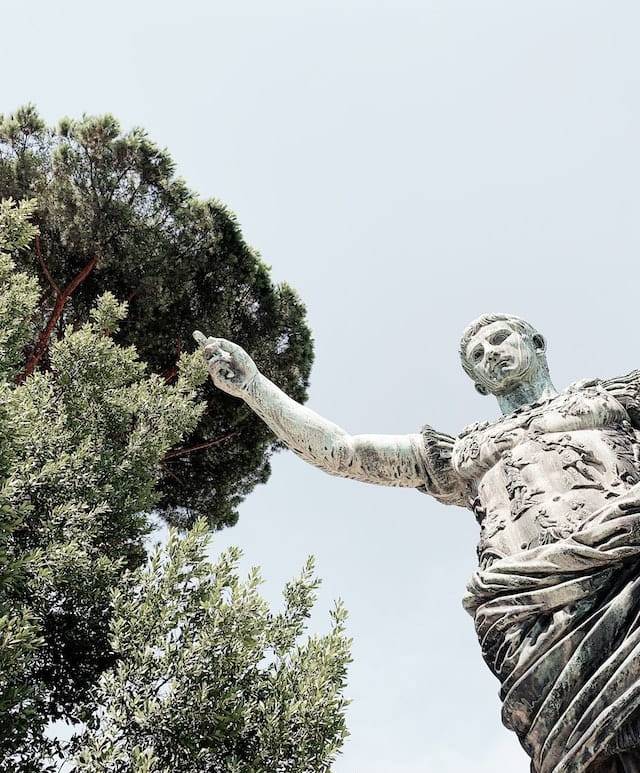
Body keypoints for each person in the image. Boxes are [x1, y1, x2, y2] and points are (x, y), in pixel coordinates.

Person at [196, 314, 640, 773]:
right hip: (532, 611)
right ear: (478, 384)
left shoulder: (608, 398)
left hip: (629, 565)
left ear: (536, 343)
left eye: (499, 339)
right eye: (477, 355)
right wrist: (254, 387)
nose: (490, 354)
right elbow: (344, 452)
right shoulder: (462, 451)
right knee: (589, 755)